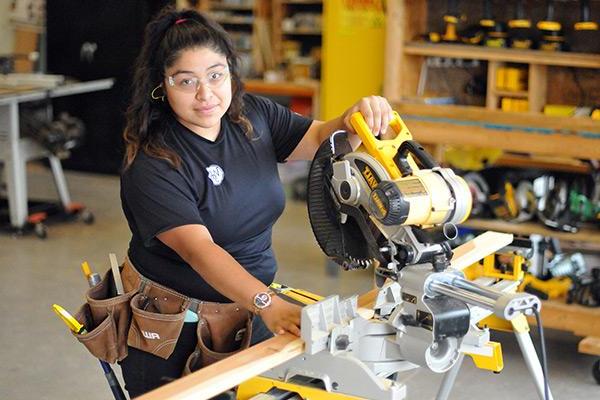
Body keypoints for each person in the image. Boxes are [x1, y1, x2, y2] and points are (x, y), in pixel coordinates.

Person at [119, 5, 395, 398]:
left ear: (231, 70)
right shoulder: (153, 160)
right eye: (186, 81)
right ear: (161, 88)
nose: (206, 94)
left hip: (249, 308)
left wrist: (354, 119)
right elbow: (200, 250)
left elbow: (320, 139)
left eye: (216, 75)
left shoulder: (251, 117)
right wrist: (269, 303)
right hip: (174, 328)